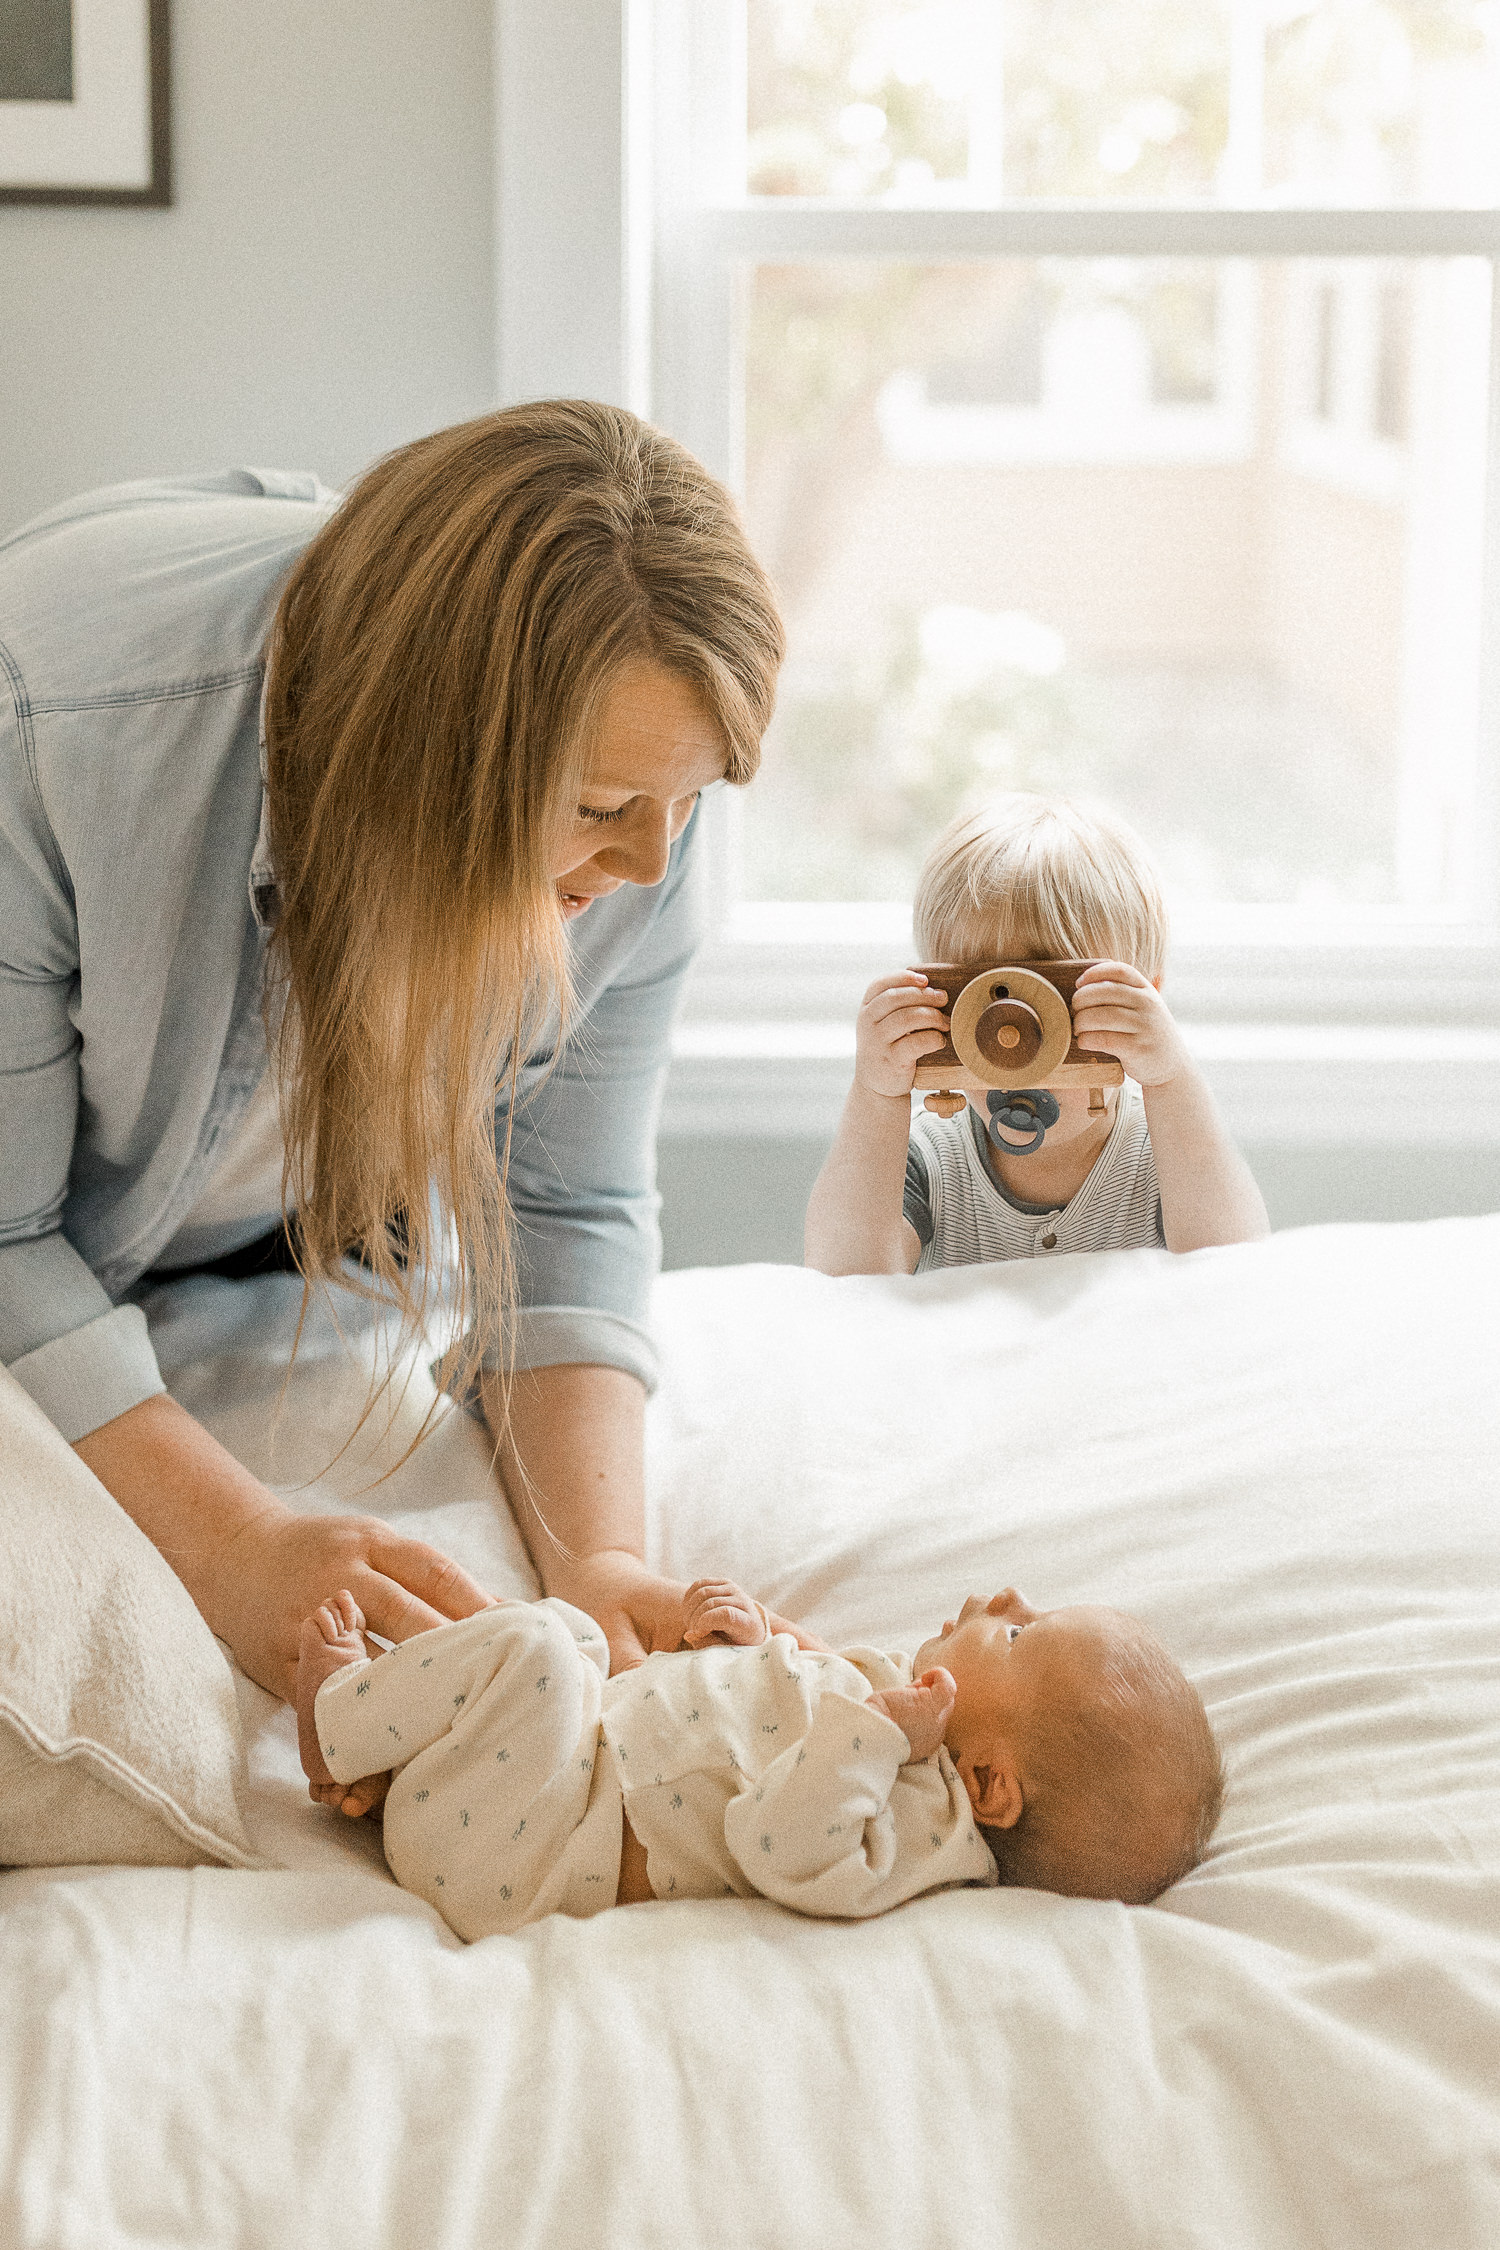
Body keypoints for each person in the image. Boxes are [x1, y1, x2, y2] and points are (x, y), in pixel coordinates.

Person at [0, 402, 784, 1704]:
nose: (653, 863)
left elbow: (567, 1203)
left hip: (260, 1209)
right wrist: (233, 1542)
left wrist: (599, 1560)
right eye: (601, 810)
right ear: (433, 759)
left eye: (690, 801)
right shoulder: (57, 721)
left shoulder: (644, 815)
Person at [295, 1578, 1224, 1938]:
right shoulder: (903, 1717)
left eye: (1021, 1637)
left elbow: (781, 1841)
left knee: (541, 1647)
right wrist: (755, 1636)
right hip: (551, 1778)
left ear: (989, 1786)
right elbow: (796, 1699)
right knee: (574, 1636)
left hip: (529, 1849)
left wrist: (880, 1734)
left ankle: (335, 1724)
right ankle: (387, 1767)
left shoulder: (920, 1828)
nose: (1006, 1597)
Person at [804, 793, 1268, 1276]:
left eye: (1058, 1010)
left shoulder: (1166, 1154)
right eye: (984, 1008)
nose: (1015, 1048)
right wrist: (877, 1095)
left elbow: (1230, 1276)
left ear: (1147, 1005)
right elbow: (846, 1284)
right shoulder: (932, 1156)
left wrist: (1172, 1078)